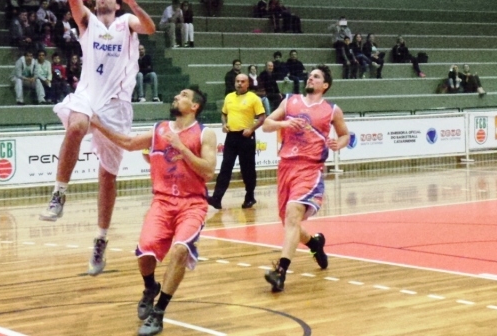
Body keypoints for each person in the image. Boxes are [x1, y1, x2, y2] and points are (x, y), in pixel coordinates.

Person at [39, 0, 157, 278]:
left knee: (108, 176)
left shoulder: (126, 23)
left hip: (117, 105)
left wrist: (135, 4)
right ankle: (59, 193)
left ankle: (101, 240)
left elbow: (150, 28)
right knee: (76, 124)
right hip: (89, 94)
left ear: (117, 3)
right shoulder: (87, 23)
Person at [89, 87, 216, 336]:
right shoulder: (159, 129)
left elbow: (209, 171)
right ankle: (150, 286)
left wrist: (183, 149)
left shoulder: (205, 133)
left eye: (184, 96)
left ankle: (158, 313)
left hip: (192, 204)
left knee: (180, 250)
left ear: (194, 107)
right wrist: (98, 124)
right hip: (162, 202)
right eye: (177, 94)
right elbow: (128, 143)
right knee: (145, 253)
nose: (177, 97)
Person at [261, 65, 349, 292]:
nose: (311, 77)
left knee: (292, 214)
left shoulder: (331, 110)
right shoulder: (290, 101)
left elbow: (345, 135)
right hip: (286, 167)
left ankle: (280, 272)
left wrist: (337, 144)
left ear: (325, 85)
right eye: (310, 75)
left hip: (310, 168)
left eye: (316, 76)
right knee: (289, 222)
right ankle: (314, 242)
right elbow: (267, 124)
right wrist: (284, 123)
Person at [209, 74, 266, 210]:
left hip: (246, 137)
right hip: (231, 137)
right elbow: (224, 113)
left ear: (248, 84)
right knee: (225, 168)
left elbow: (262, 117)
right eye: (237, 81)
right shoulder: (229, 97)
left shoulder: (254, 99)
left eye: (243, 81)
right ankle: (217, 198)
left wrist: (251, 128)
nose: (239, 83)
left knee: (247, 169)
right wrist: (224, 124)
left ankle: (250, 197)